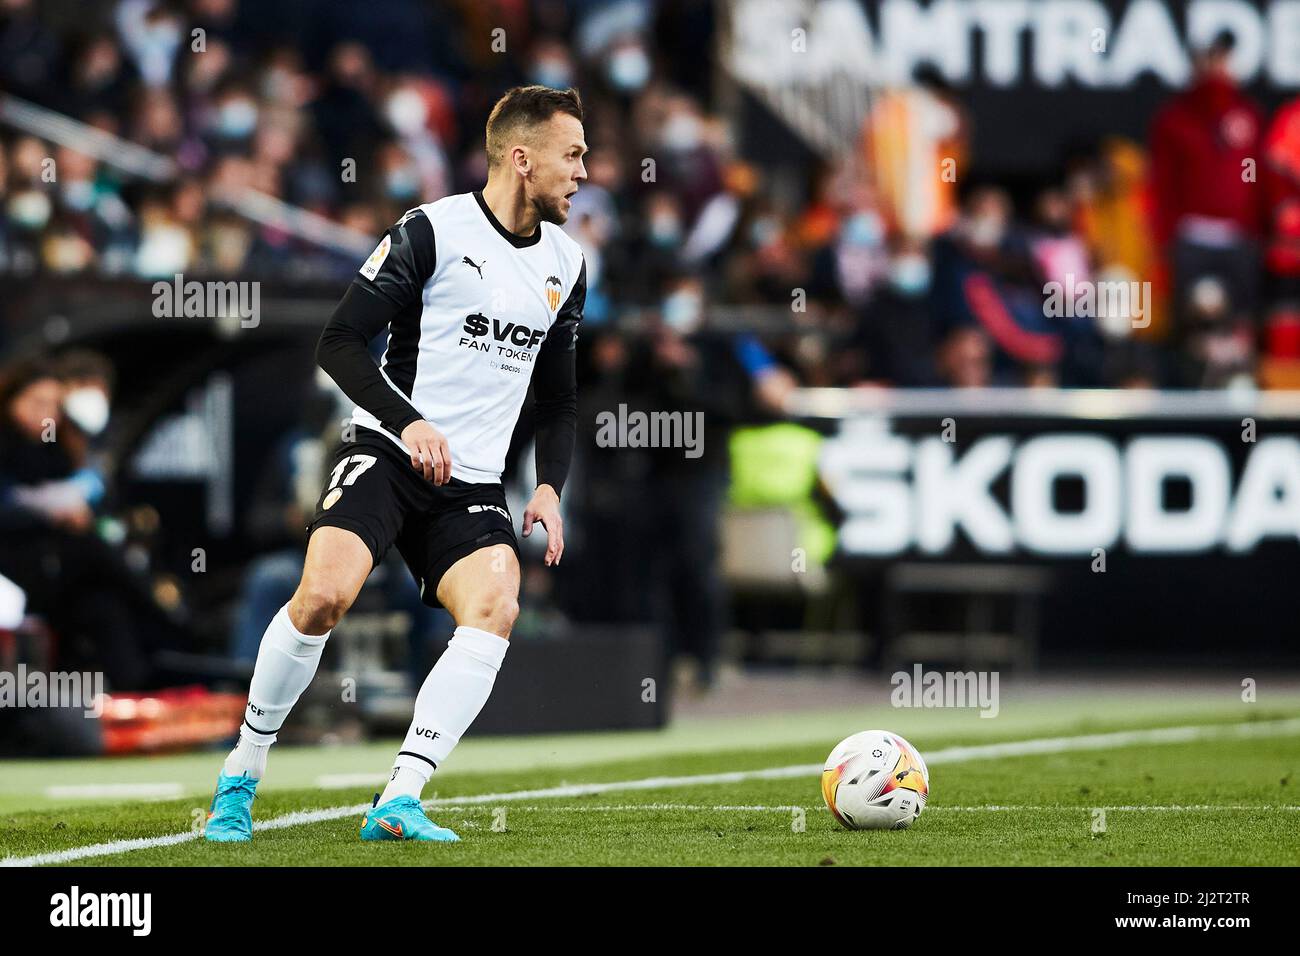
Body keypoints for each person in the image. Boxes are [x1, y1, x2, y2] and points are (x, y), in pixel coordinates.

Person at [204, 85, 588, 844]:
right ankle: (240, 776)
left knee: (497, 605)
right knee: (321, 596)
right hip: (386, 448)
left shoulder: (568, 264)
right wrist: (410, 422)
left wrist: (548, 484)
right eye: (571, 154)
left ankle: (400, 798)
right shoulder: (431, 232)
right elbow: (338, 342)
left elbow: (559, 400)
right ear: (521, 158)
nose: (584, 170)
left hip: (471, 482)